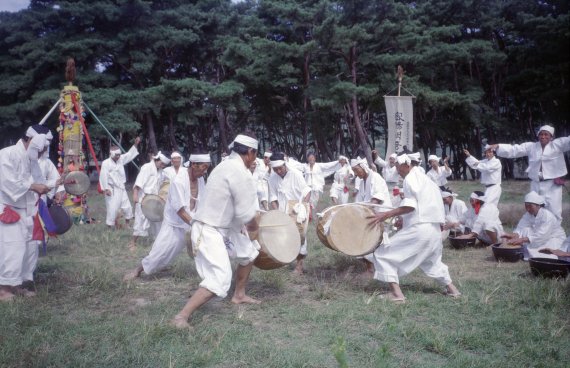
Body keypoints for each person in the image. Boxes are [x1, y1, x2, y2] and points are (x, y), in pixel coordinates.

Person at [171, 134, 261, 329]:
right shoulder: (240, 172)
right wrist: (255, 227)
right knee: (220, 278)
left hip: (223, 226)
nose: (255, 158)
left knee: (249, 251)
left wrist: (246, 230)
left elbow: (231, 204)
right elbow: (246, 213)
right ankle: (181, 316)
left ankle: (239, 295)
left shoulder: (224, 166)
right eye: (255, 154)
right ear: (250, 153)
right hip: (208, 229)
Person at [367, 154, 460, 302]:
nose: (397, 170)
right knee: (431, 261)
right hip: (434, 231)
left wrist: (385, 215)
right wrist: (403, 219)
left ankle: (397, 295)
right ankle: (453, 290)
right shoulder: (427, 181)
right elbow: (422, 207)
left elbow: (410, 206)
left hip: (421, 229)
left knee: (381, 253)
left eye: (398, 166)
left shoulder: (410, 179)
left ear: (407, 164)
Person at [124, 152, 210, 281]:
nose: (205, 172)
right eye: (204, 167)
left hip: (192, 220)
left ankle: (209, 275)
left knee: (206, 245)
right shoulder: (179, 180)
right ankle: (138, 269)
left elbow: (202, 201)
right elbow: (179, 210)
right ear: (193, 165)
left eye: (207, 168)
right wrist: (194, 223)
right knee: (160, 253)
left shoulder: (201, 179)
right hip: (174, 223)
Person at [0, 125, 52, 301]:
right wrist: (32, 186)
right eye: (42, 147)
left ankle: (18, 284)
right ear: (31, 140)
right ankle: (4, 288)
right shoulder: (6, 154)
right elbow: (6, 182)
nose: (43, 151)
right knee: (12, 248)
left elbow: (39, 181)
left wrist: (49, 186)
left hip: (29, 209)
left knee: (29, 248)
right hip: (10, 208)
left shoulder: (32, 159)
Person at [490, 125, 570, 220]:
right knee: (534, 208)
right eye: (541, 134)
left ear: (551, 136)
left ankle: (556, 233)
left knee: (554, 210)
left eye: (546, 134)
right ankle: (536, 231)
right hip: (535, 183)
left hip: (552, 184)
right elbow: (515, 150)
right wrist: (498, 147)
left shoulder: (558, 144)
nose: (543, 137)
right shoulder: (531, 146)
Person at [268, 152, 311, 274]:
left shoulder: (296, 174)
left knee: (300, 237)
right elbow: (273, 197)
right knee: (283, 238)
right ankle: (285, 261)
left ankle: (299, 266)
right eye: (275, 169)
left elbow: (307, 191)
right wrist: (277, 212)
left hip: (297, 210)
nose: (278, 171)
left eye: (280, 168)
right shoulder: (272, 178)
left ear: (284, 164)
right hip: (282, 210)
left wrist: (303, 207)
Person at [351, 156, 393, 275]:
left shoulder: (375, 177)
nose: (355, 173)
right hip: (370, 215)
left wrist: (366, 210)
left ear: (363, 167)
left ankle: (378, 269)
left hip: (381, 214)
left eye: (356, 170)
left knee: (377, 243)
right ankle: (371, 267)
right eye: (353, 171)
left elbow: (377, 199)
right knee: (365, 240)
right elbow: (360, 200)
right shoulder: (362, 181)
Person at [501, 192, 566, 260]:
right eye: (526, 206)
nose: (528, 209)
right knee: (526, 230)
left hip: (553, 238)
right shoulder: (528, 215)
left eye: (530, 206)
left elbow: (542, 235)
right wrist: (514, 235)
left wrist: (521, 240)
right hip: (538, 238)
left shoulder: (547, 216)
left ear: (538, 205)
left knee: (544, 253)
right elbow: (521, 228)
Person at [128, 151, 170, 251]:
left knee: (157, 221)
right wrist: (135, 195)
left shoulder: (160, 171)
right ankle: (133, 242)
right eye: (162, 163)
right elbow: (138, 182)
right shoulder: (147, 168)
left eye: (164, 164)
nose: (163, 165)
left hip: (154, 199)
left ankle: (159, 243)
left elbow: (167, 180)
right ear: (157, 160)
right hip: (143, 198)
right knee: (140, 221)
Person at [99, 137, 141, 228]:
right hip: (111, 188)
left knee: (127, 207)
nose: (118, 156)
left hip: (121, 188)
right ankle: (110, 226)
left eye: (119, 154)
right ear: (111, 154)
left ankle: (127, 224)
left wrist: (136, 144)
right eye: (116, 155)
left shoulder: (121, 159)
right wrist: (106, 189)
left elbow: (129, 154)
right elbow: (103, 176)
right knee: (112, 208)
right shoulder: (106, 163)